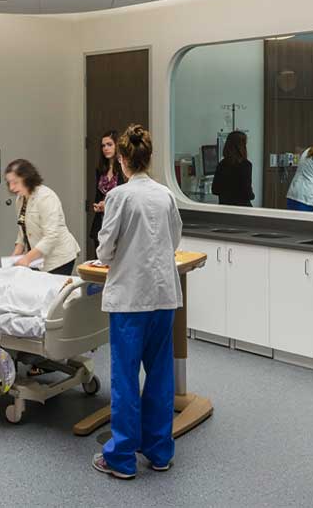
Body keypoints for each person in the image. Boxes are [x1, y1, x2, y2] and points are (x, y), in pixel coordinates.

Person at [91, 124, 182, 480]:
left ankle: (122, 458)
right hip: (163, 297)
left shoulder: (120, 197)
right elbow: (174, 239)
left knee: (126, 378)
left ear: (124, 159)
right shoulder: (165, 195)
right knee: (160, 376)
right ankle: (160, 452)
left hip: (130, 300)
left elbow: (105, 249)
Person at [5, 159, 81, 276]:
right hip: (38, 258)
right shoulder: (20, 199)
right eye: (9, 183)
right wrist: (13, 259)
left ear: (27, 178)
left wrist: (27, 259)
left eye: (15, 182)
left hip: (58, 258)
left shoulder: (46, 197)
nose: (11, 188)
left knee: (54, 292)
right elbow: (22, 232)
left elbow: (51, 236)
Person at [89, 130, 126, 249]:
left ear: (117, 146)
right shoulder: (100, 170)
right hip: (101, 221)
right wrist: (98, 206)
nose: (105, 148)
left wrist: (108, 205)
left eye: (109, 144)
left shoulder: (124, 169)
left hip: (118, 220)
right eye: (103, 146)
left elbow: (126, 197)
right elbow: (98, 195)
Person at [211, 130, 254, 206]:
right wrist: (252, 195)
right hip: (242, 210)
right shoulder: (246, 165)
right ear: (241, 147)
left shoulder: (221, 164)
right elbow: (248, 194)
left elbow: (215, 190)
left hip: (225, 209)